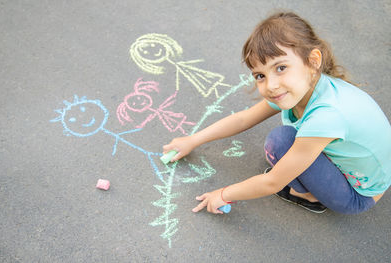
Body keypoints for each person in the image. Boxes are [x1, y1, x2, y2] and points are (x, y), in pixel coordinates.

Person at [162, 12, 391, 214]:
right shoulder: (301, 86)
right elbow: (243, 119)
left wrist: (223, 194)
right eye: (260, 75)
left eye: (281, 68)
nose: (270, 85)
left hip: (357, 196)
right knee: (287, 141)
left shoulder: (327, 116)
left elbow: (272, 182)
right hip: (367, 175)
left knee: (280, 143)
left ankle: (309, 196)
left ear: (313, 61)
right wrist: (193, 140)